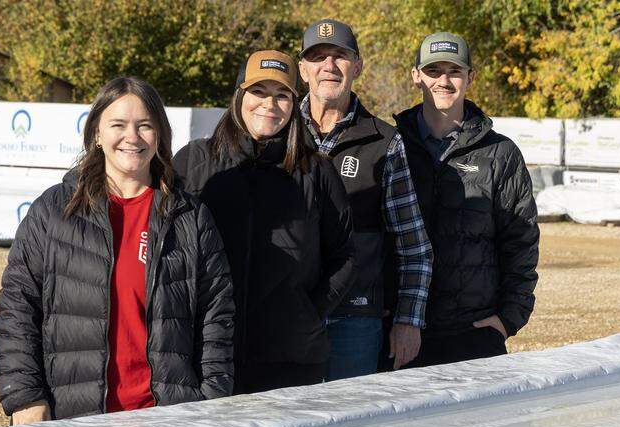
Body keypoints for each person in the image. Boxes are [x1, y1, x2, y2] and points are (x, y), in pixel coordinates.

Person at [0, 77, 235, 423]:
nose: (132, 137)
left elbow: (216, 316)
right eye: (118, 125)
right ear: (96, 133)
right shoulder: (54, 211)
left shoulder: (190, 217)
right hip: (74, 418)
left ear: (160, 134)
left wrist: (211, 400)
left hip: (167, 419)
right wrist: (26, 397)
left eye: (144, 125)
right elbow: (18, 307)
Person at [174, 50, 355, 394]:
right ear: (239, 95)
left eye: (282, 95)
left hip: (290, 359)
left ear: (294, 104)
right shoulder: (194, 161)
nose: (269, 104)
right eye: (258, 91)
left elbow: (344, 254)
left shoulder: (316, 170)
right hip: (206, 354)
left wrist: (308, 312)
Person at [393, 33, 539, 367]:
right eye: (433, 71)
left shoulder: (500, 153)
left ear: (471, 77)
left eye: (454, 72)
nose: (443, 81)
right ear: (416, 76)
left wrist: (507, 319)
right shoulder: (392, 145)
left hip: (473, 332)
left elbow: (521, 242)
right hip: (399, 331)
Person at [297, 19, 433, 378]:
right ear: (303, 69)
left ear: (357, 66)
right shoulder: (279, 133)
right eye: (318, 57)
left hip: (355, 320)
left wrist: (408, 320)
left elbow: (414, 246)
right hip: (287, 315)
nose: (329, 66)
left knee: (351, 416)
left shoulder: (384, 141)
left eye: (340, 56)